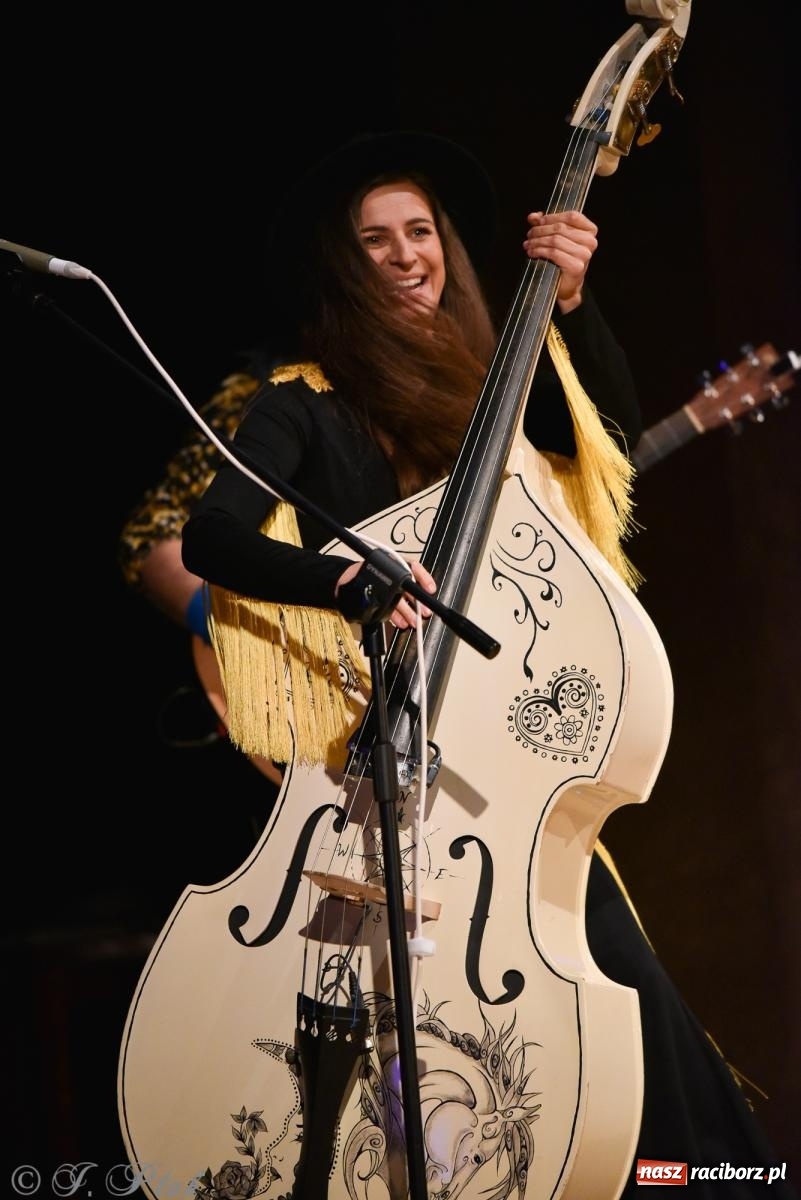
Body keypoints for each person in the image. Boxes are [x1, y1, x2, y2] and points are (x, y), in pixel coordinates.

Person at [130, 132, 795, 1197]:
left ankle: (713, 1184)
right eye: (375, 239)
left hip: (502, 770)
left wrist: (574, 302)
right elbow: (209, 539)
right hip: (376, 755)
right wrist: (348, 581)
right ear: (347, 264)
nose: (404, 255)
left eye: (421, 233)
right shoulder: (302, 398)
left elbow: (608, 443)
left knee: (627, 1010)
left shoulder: (491, 385)